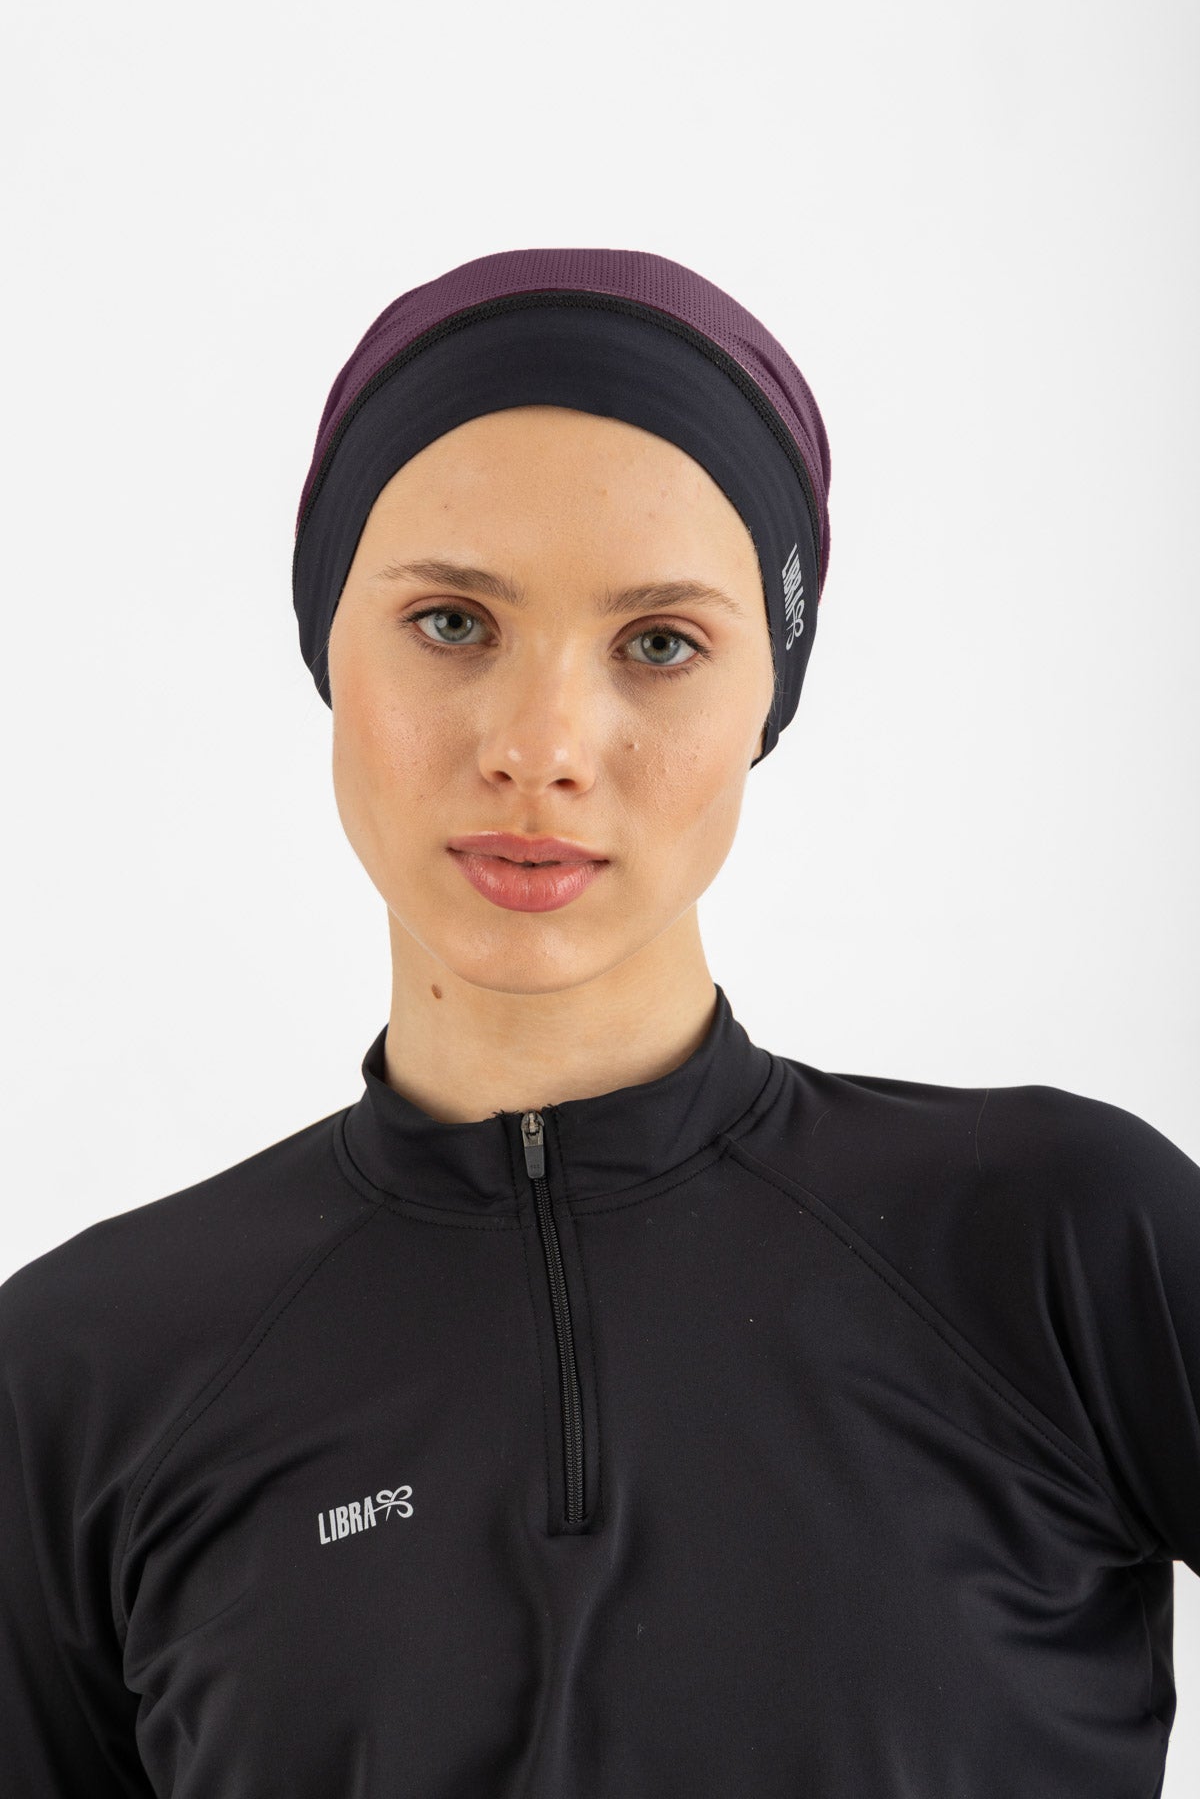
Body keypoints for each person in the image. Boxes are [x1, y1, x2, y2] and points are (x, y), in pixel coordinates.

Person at [0, 245, 1196, 1798]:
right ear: (327, 650)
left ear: (767, 700)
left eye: (660, 645)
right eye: (452, 623)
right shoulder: (86, 1370)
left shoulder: (1058, 1242)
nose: (541, 746)